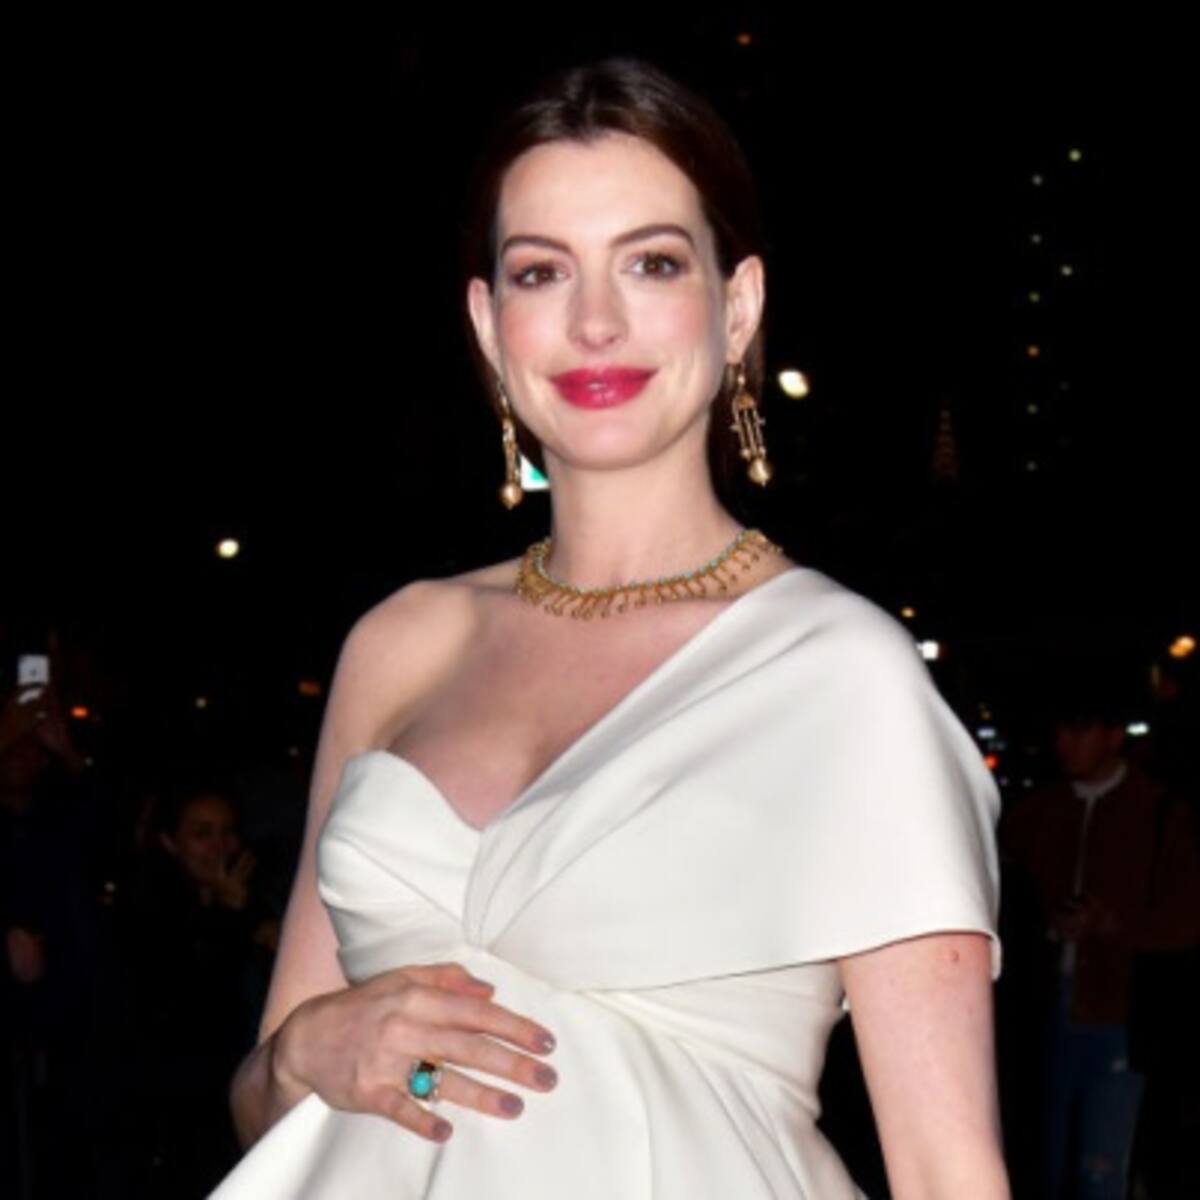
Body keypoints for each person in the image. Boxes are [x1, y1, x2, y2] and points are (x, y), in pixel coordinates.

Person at [212, 56, 1009, 1198]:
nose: (594, 322)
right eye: (542, 273)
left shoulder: (839, 674)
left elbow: (944, 1168)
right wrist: (298, 1055)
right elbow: (269, 1103)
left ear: (738, 306)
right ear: (489, 324)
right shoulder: (398, 646)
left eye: (651, 263)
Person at [1000, 686, 1200, 1200]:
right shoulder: (1037, 812)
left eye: (1079, 730)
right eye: (1060, 730)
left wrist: (1110, 925)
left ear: (1113, 736)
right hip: (1041, 1015)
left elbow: (1185, 920)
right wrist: (1040, 924)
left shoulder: (1159, 814)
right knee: (1042, 1165)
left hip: (1120, 1017)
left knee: (1101, 1169)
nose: (1063, 742)